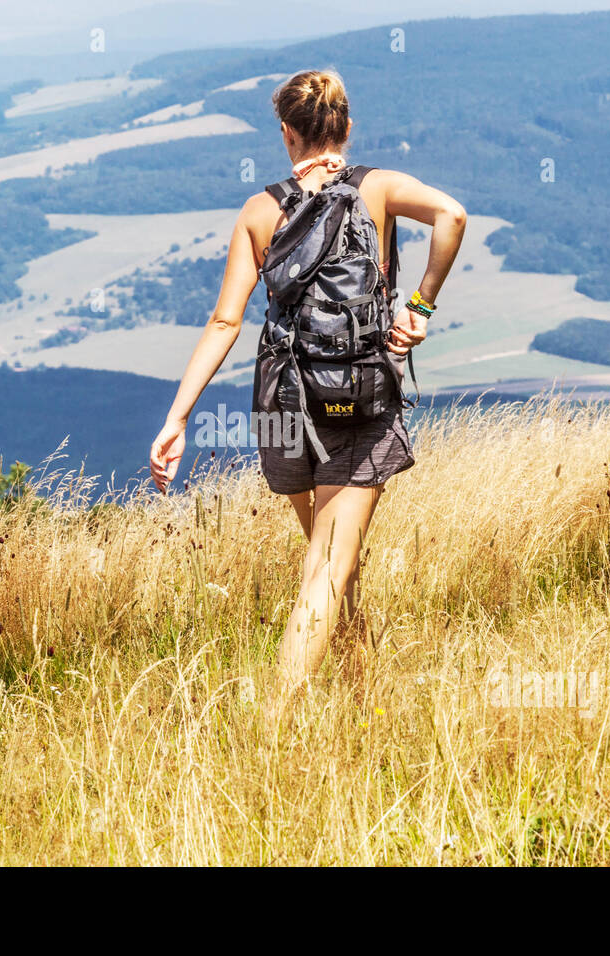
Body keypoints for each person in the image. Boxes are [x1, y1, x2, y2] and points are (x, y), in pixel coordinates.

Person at [149, 68, 467, 696]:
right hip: (355, 399)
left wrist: (177, 418)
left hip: (282, 403)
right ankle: (274, 726)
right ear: (345, 128)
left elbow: (224, 321)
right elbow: (452, 215)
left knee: (330, 559)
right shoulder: (376, 188)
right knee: (327, 567)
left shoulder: (259, 210)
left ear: (289, 135)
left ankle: (359, 695)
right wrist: (420, 309)